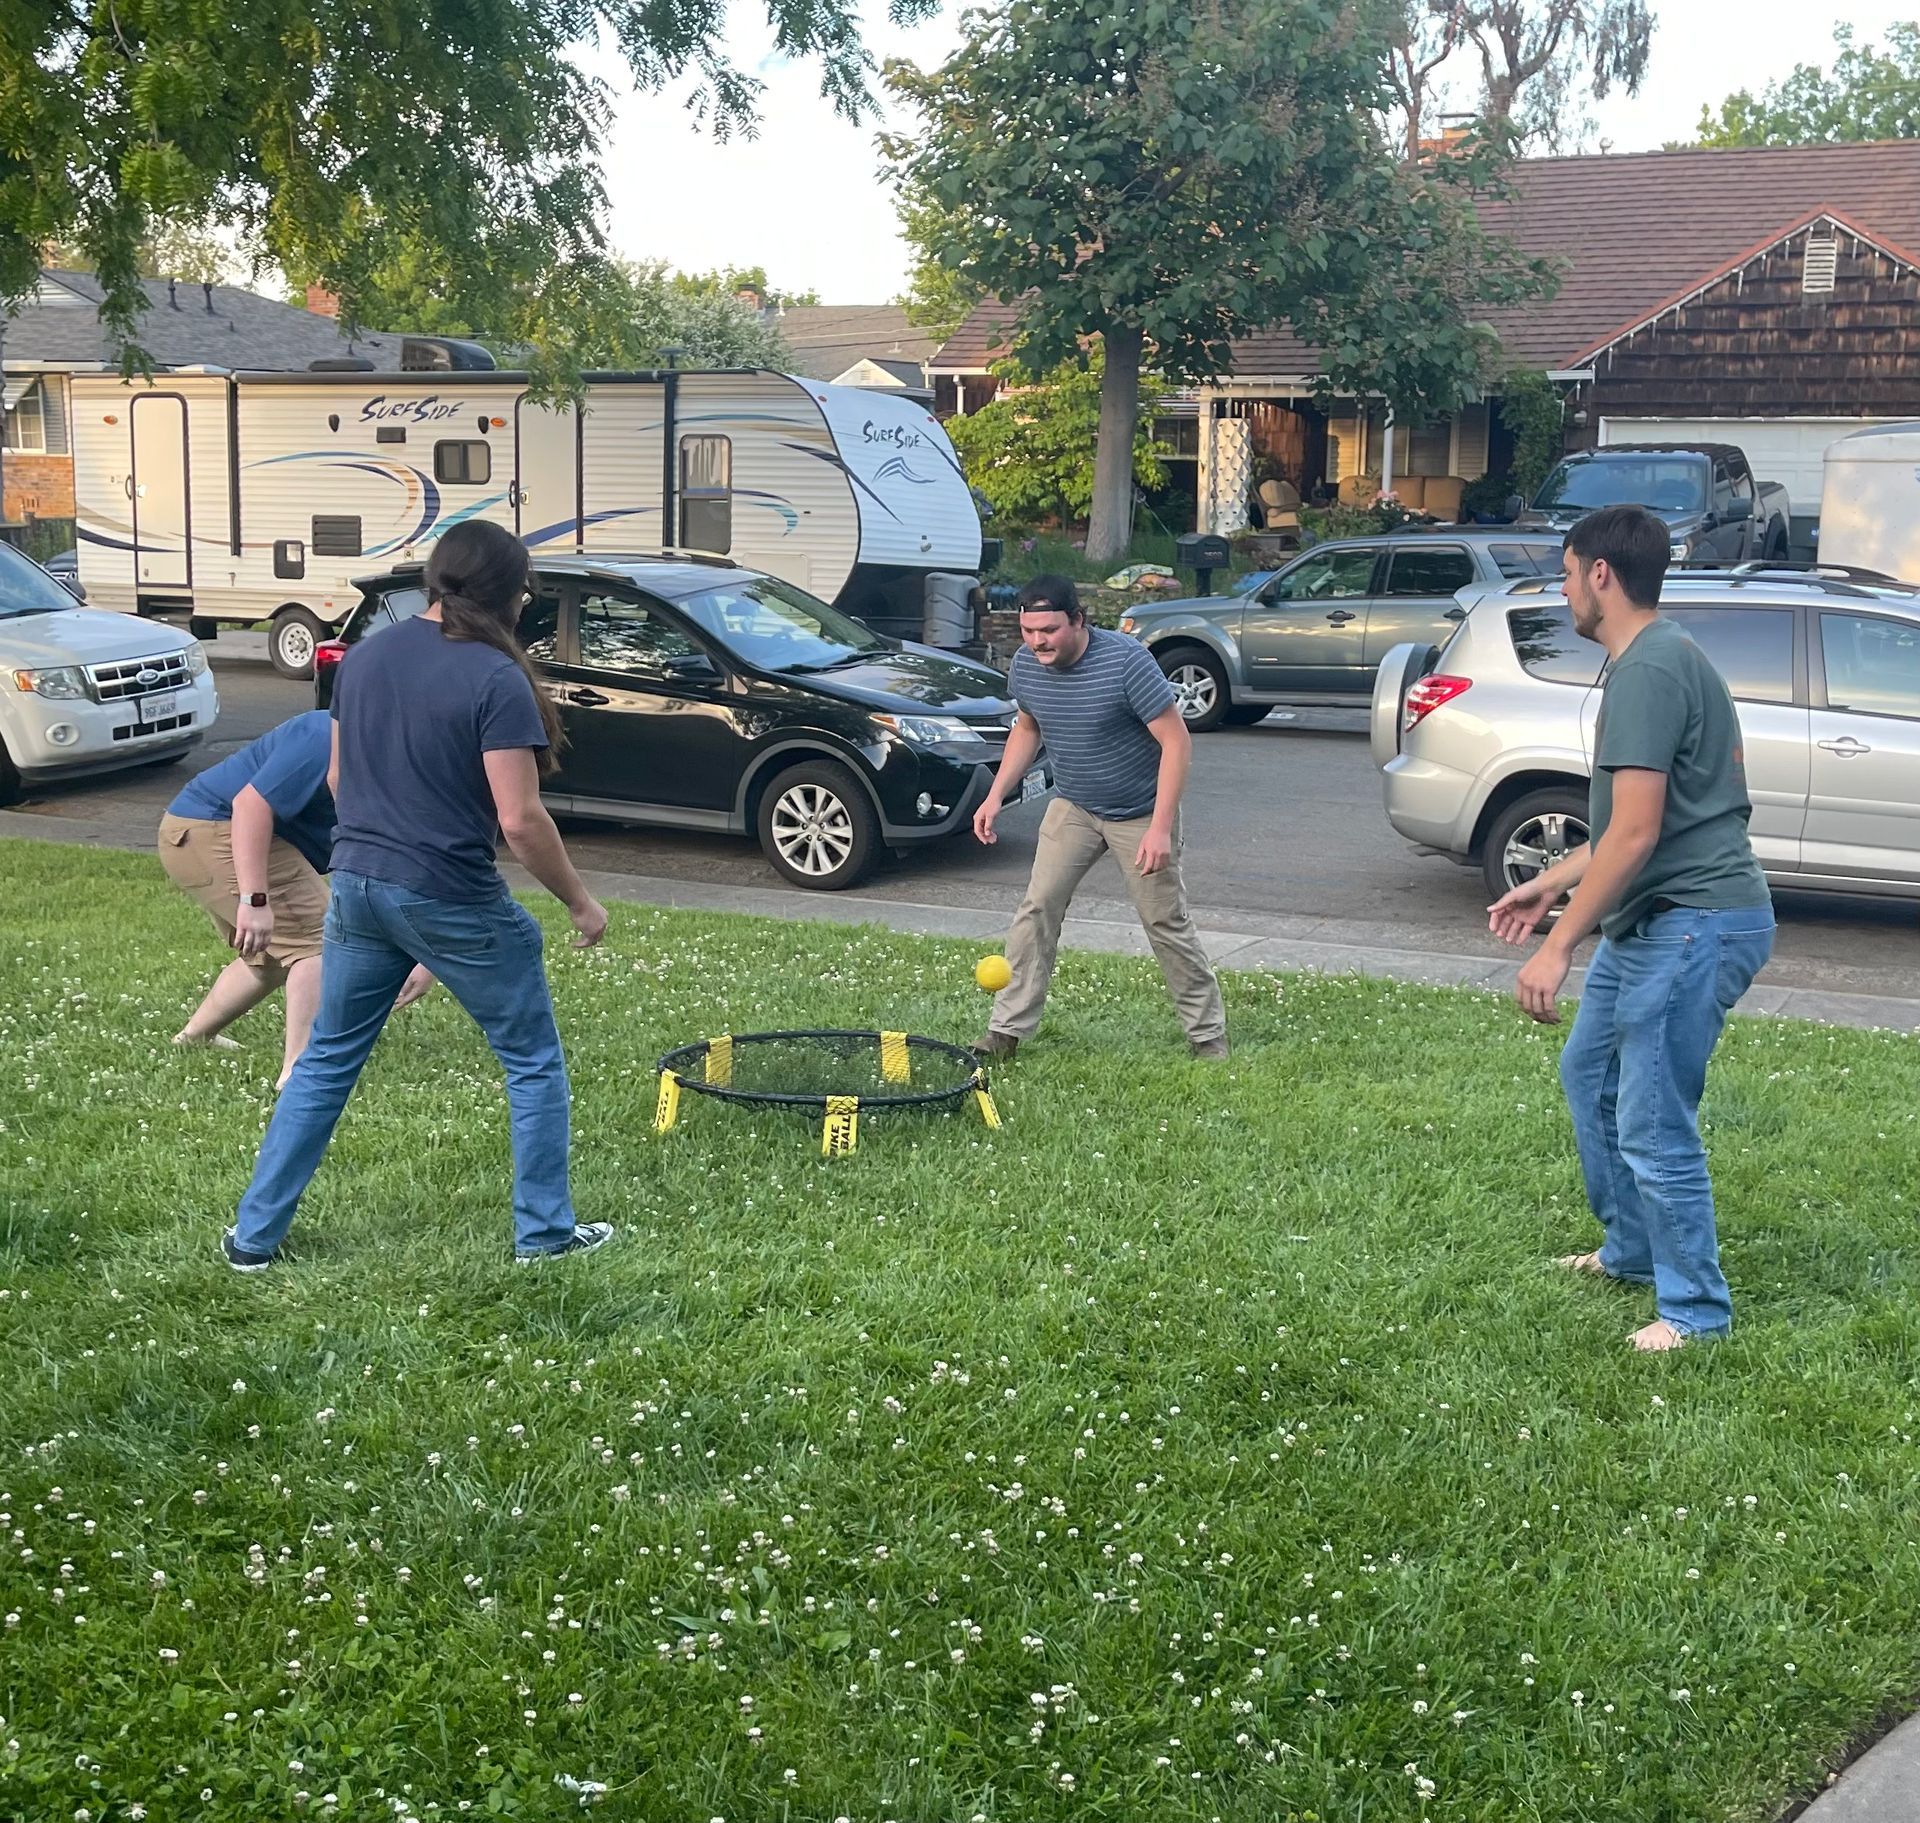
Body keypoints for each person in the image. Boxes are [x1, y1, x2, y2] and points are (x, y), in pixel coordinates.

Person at [220, 520, 611, 1271]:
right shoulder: (496, 677)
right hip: (448, 891)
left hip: (358, 886)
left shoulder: (364, 658)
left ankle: (252, 1239)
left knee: (327, 1059)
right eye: (526, 589)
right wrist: (579, 903)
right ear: (508, 592)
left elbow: (337, 782)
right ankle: (545, 1236)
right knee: (531, 1060)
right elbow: (521, 820)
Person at [1486, 505, 1774, 1352]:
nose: (1566, 587)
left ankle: (1695, 1311)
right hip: (1660, 917)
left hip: (1694, 922)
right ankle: (1634, 1249)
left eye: (1569, 572)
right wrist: (1549, 881)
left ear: (1602, 574)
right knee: (1592, 1074)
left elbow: (1641, 833)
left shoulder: (1649, 669)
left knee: (1651, 1116)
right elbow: (1625, 832)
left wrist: (1559, 941)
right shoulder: (1657, 656)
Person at [972, 574, 1227, 1059]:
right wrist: (994, 796)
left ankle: (1207, 1034)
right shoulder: (1026, 666)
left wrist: (1158, 827)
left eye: (1048, 630)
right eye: (1028, 631)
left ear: (1078, 620)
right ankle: (1006, 1030)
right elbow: (1027, 730)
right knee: (1037, 908)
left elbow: (1176, 743)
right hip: (1075, 806)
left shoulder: (1126, 662)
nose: (1037, 641)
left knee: (1164, 921)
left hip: (1140, 813)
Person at [161, 712, 432, 1089]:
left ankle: (195, 1037)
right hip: (212, 827)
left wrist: (425, 952)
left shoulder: (401, 756)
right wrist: (255, 900)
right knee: (320, 945)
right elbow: (249, 806)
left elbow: (406, 854)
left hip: (203, 833)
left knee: (272, 956)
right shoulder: (325, 737)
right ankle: (301, 1074)